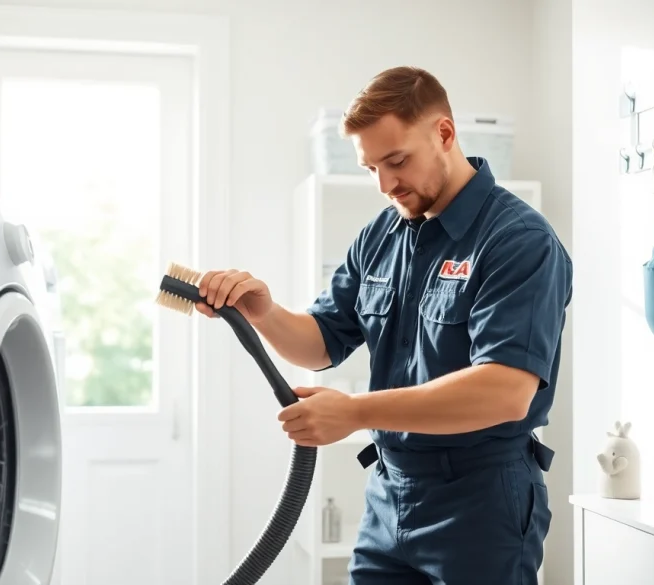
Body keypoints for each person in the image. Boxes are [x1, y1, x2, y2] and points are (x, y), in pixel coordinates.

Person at [195, 65, 572, 585]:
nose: (385, 184)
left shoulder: (518, 240)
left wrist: (354, 412)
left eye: (397, 161)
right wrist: (264, 312)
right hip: (389, 497)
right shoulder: (382, 234)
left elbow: (505, 392)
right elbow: (321, 344)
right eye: (370, 167)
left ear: (444, 133)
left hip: (482, 503)